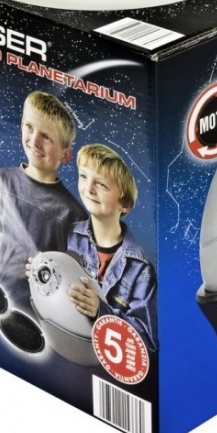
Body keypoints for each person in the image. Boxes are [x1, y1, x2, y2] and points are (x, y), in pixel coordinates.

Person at [0, 91, 86, 315]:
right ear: (21, 125)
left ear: (65, 155)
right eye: (29, 127)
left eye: (46, 137)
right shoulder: (3, 179)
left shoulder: (73, 214)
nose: (34, 141)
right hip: (3, 301)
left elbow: (74, 275)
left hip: (44, 316)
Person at [66, 143, 157, 352]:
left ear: (125, 203)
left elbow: (147, 340)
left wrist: (101, 311)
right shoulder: (66, 235)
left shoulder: (141, 271)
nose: (89, 189)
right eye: (84, 176)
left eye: (101, 184)